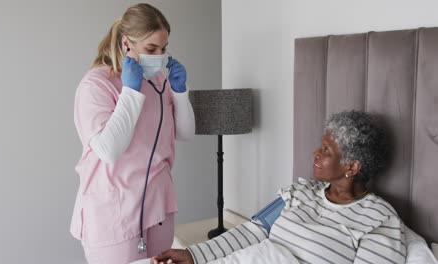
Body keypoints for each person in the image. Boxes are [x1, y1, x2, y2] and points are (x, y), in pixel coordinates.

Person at [152, 110, 406, 264]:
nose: (315, 153)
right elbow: (253, 231)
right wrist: (193, 256)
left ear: (352, 166)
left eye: (326, 150)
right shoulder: (300, 193)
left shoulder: (378, 218)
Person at [70, 3, 195, 264]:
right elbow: (109, 150)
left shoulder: (160, 83)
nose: (159, 56)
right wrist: (130, 91)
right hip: (113, 212)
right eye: (151, 49)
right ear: (127, 43)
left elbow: (185, 133)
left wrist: (180, 93)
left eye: (163, 49)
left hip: (158, 206)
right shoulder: (96, 84)